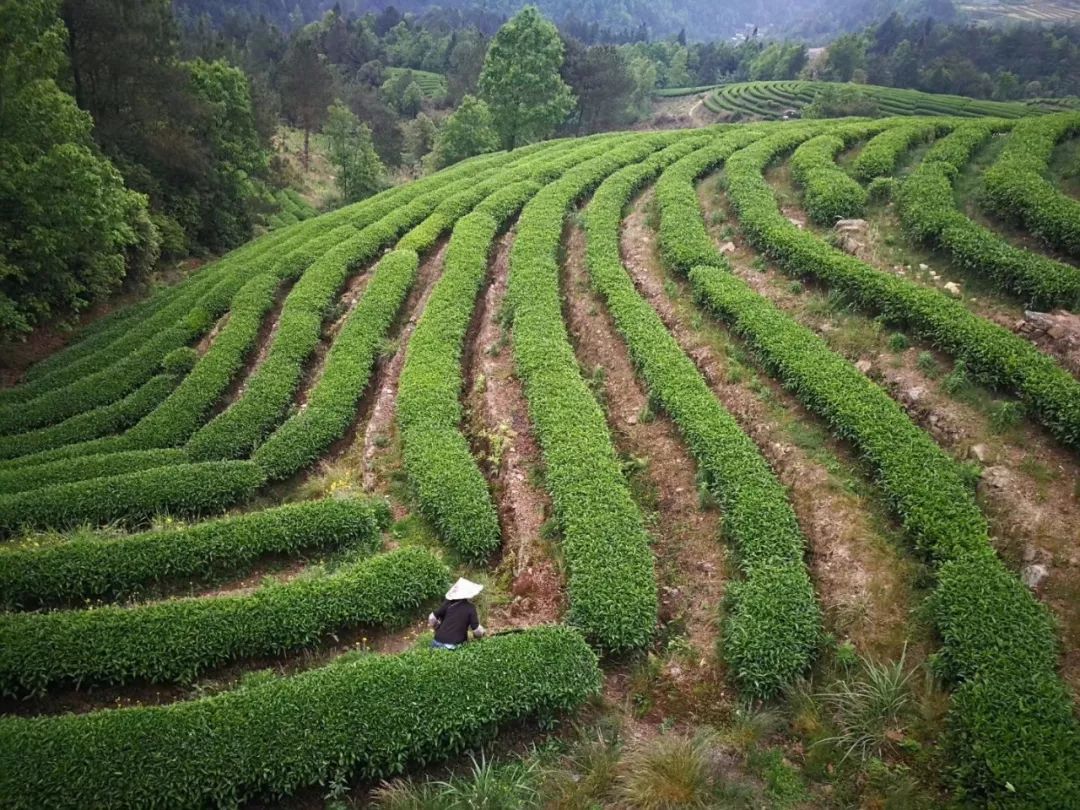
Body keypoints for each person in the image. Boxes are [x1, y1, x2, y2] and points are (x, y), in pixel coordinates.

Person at [429, 577, 486, 650]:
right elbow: (476, 630)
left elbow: (431, 618)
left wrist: (437, 627)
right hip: (453, 645)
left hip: (436, 642)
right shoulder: (470, 608)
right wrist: (482, 633)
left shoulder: (447, 603)